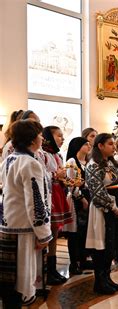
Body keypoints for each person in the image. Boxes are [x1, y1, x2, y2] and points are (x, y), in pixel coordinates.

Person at [0, 119, 52, 307]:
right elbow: (35, 202)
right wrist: (44, 234)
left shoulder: (9, 159)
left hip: (9, 225)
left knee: (9, 282)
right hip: (23, 229)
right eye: (39, 134)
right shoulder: (30, 163)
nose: (42, 138)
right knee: (21, 281)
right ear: (31, 139)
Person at [85, 133, 118, 295]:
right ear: (100, 146)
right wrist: (114, 208)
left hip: (117, 208)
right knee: (101, 246)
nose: (114, 146)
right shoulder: (93, 166)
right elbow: (97, 192)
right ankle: (99, 281)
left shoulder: (113, 164)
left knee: (111, 246)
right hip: (102, 210)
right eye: (110, 144)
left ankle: (107, 277)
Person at [41, 126, 72, 285]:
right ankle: (46, 270)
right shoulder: (43, 154)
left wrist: (64, 177)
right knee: (49, 232)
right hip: (49, 195)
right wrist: (56, 174)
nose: (62, 139)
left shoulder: (57, 155)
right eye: (59, 136)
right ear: (49, 137)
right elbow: (40, 175)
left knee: (56, 232)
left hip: (58, 192)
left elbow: (61, 173)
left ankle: (53, 268)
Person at [64, 137, 92, 276]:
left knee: (85, 232)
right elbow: (70, 183)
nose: (89, 146)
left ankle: (83, 259)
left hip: (88, 196)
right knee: (75, 233)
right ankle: (74, 263)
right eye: (85, 144)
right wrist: (81, 198)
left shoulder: (88, 162)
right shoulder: (72, 162)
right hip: (77, 200)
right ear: (78, 146)